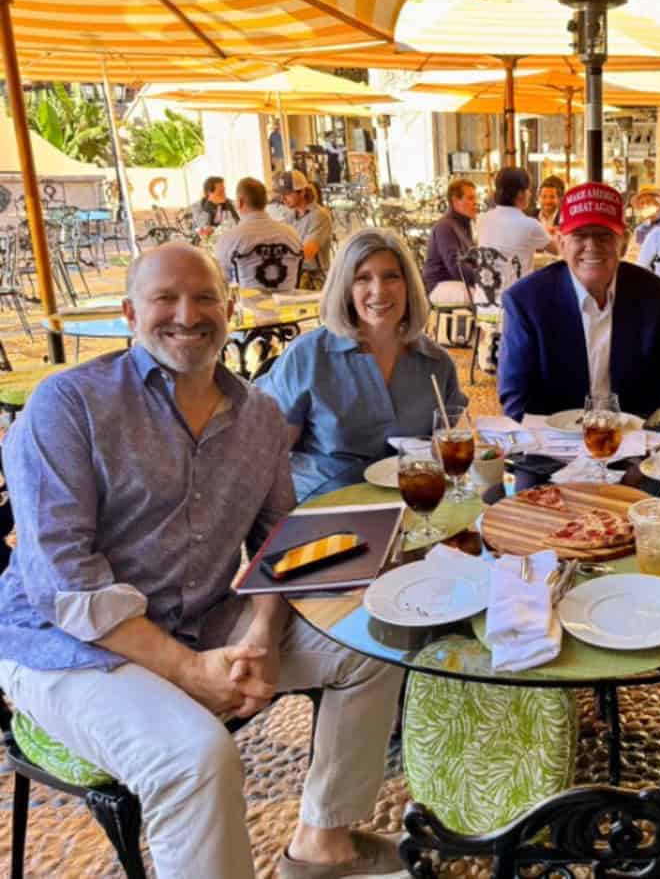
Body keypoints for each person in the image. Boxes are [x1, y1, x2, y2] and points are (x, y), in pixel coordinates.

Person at [0, 242, 408, 879]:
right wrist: (189, 670)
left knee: (376, 641)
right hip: (66, 645)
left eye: (204, 297)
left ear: (230, 308)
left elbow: (281, 545)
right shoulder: (69, 404)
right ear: (130, 314)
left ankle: (321, 841)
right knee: (198, 757)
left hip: (203, 617)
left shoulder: (260, 417)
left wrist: (262, 634)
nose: (186, 314)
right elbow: (63, 583)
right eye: (165, 298)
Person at [258, 227, 466, 503]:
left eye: (391, 276)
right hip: (324, 507)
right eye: (362, 278)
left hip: (411, 506)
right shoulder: (308, 356)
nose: (379, 291)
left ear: (408, 285)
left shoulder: (437, 364)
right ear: (345, 289)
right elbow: (268, 455)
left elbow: (448, 454)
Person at [498, 181, 660, 422]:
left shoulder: (655, 297)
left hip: (631, 443)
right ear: (560, 243)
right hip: (552, 448)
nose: (592, 246)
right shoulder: (525, 301)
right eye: (580, 235)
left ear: (622, 243)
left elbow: (658, 392)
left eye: (604, 236)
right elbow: (516, 402)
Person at [214, 177, 303, 291]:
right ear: (265, 202)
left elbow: (222, 281)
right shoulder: (292, 234)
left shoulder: (228, 239)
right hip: (288, 306)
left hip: (248, 307)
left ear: (240, 202)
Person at [476, 167, 552, 286]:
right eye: (528, 190)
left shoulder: (482, 219)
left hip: (484, 300)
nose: (530, 194)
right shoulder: (529, 224)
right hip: (516, 301)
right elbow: (560, 250)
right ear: (520, 193)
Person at [422, 178, 479, 307]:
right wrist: (482, 279)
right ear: (455, 201)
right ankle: (484, 327)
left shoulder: (464, 224)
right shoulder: (445, 226)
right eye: (470, 198)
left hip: (455, 281)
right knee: (487, 296)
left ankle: (485, 326)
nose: (476, 203)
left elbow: (471, 260)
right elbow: (455, 266)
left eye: (475, 198)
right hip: (440, 285)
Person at [274, 170, 333, 290]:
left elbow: (307, 253)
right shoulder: (290, 216)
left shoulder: (319, 216)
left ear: (302, 192)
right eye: (281, 194)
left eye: (288, 194)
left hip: (315, 281)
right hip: (295, 276)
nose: (283, 199)